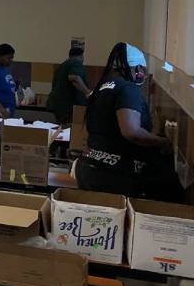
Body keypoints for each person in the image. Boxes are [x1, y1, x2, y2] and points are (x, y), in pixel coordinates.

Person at [75, 42, 180, 200]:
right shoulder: (128, 89)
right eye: (143, 71)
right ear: (137, 69)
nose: (143, 75)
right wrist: (163, 142)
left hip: (88, 169)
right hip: (113, 176)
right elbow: (131, 132)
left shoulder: (102, 87)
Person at [46, 47, 92, 124]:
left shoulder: (62, 66)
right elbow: (74, 78)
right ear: (81, 56)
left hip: (56, 105)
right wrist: (87, 92)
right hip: (68, 106)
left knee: (62, 128)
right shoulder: (76, 63)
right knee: (70, 130)